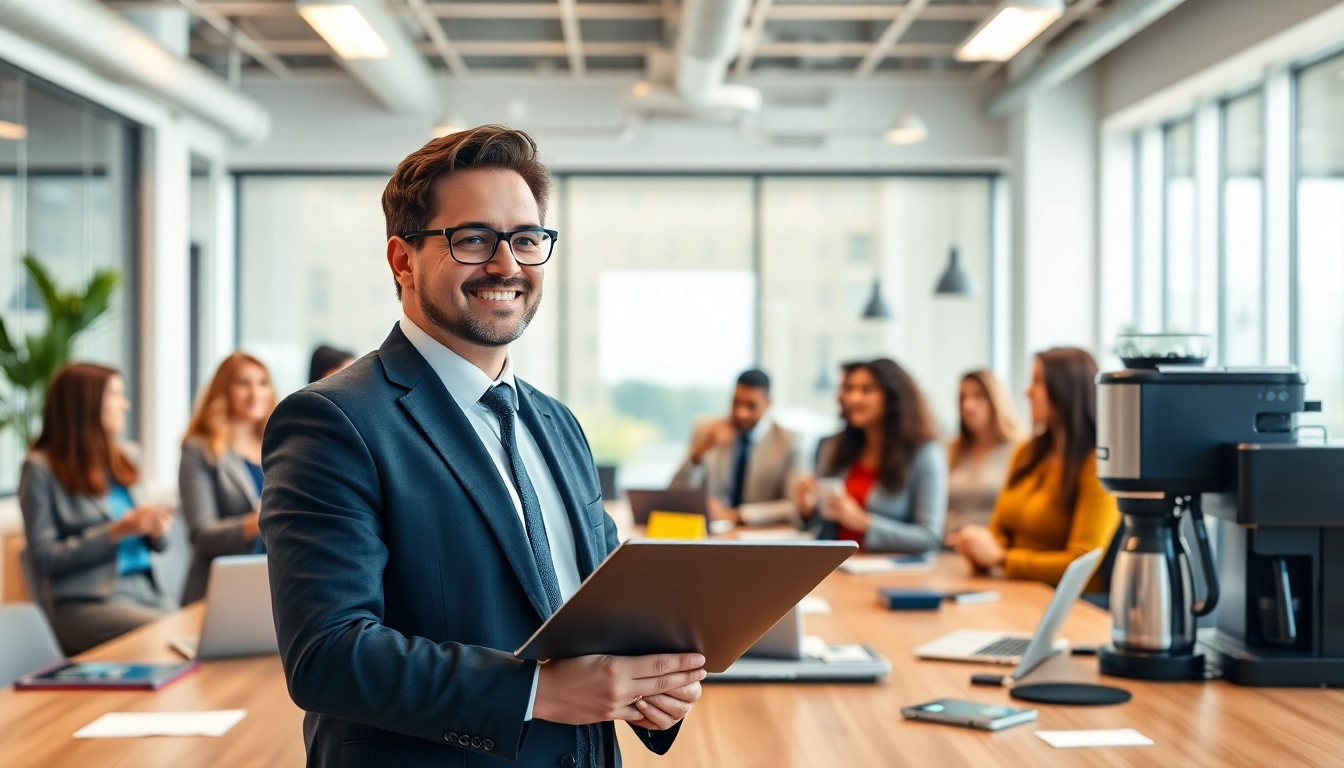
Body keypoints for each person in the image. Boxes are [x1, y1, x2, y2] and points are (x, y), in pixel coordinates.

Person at [259, 126, 701, 768]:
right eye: (473, 240)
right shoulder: (333, 420)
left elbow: (599, 608)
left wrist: (655, 684)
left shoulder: (558, 424)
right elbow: (327, 654)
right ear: (402, 260)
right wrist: (536, 692)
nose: (507, 264)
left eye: (526, 239)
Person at [18, 363, 175, 654]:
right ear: (86, 404)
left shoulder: (126, 456)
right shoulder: (40, 469)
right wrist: (116, 532)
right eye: (115, 395)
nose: (125, 405)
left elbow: (158, 543)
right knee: (171, 634)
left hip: (146, 589)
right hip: (85, 603)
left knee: (195, 632)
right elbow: (44, 558)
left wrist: (155, 528)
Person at [948, 348, 1120, 591]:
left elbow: (1082, 561)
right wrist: (978, 544)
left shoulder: (1097, 464)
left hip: (1069, 602)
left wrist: (1001, 559)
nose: (1027, 392)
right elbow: (1000, 529)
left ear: (1066, 389)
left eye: (1037, 381)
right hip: (1016, 588)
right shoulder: (1027, 452)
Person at [794, 359, 947, 554]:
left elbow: (929, 537)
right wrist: (806, 509)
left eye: (867, 390)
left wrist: (865, 523)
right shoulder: (836, 446)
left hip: (890, 573)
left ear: (893, 397)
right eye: (850, 389)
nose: (854, 398)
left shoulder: (924, 453)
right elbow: (820, 528)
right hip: (834, 567)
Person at [178, 352, 276, 605]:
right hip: (220, 593)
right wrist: (257, 522)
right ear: (224, 390)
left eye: (262, 383)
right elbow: (201, 535)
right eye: (244, 383)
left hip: (276, 584)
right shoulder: (200, 450)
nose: (255, 392)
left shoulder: (279, 445)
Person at [670, 369, 802, 526]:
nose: (741, 413)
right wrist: (700, 451)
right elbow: (675, 492)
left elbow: (794, 506)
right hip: (710, 537)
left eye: (751, 406)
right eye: (736, 402)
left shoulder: (788, 441)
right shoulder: (707, 430)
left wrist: (736, 515)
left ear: (768, 404)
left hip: (759, 538)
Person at [944, 369, 1024, 538]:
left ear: (996, 400)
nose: (968, 405)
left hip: (993, 549)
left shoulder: (1020, 450)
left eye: (978, 396)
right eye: (962, 398)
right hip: (948, 548)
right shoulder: (951, 451)